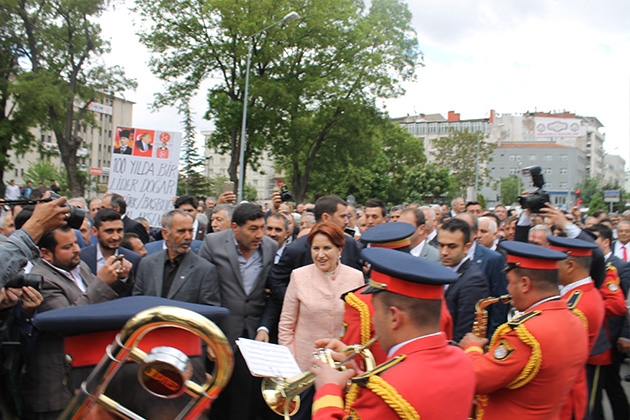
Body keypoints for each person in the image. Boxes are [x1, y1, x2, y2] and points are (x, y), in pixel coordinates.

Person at [311, 247, 475, 420]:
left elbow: (393, 394)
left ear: (394, 317)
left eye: (376, 312)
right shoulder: (462, 359)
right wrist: (359, 375)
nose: (373, 321)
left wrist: (328, 389)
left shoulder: (387, 392)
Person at [460, 241, 588, 420]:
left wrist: (472, 348)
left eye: (510, 283)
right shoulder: (575, 319)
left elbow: (477, 378)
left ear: (525, 284)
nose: (507, 290)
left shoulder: (524, 334)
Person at [22, 224, 132, 419]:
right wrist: (102, 282)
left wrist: (119, 279)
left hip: (87, 378)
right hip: (57, 387)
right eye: (67, 247)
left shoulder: (79, 266)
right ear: (46, 253)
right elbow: (67, 321)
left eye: (75, 243)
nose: (76, 249)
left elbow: (101, 305)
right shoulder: (41, 279)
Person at [198, 203, 277, 420]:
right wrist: (208, 338)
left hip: (253, 336)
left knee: (245, 401)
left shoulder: (269, 247)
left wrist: (264, 327)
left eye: (262, 227)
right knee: (216, 401)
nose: (259, 234)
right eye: (253, 229)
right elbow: (203, 293)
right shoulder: (213, 244)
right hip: (220, 335)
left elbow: (270, 292)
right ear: (235, 227)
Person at [279, 222, 364, 419]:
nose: (320, 254)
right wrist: (291, 368)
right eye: (315, 249)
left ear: (339, 249)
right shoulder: (299, 276)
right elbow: (286, 326)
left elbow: (359, 325)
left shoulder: (356, 277)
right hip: (303, 370)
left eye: (327, 248)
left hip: (341, 370)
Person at [260, 195, 363, 342]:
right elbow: (277, 285)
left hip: (342, 352)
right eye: (342, 216)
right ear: (326, 217)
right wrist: (300, 298)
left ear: (340, 249)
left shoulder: (351, 251)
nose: (346, 221)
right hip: (305, 349)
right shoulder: (296, 252)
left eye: (327, 248)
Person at [547, 235, 605, 420]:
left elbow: (557, 353)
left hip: (564, 395)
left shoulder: (576, 305)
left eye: (553, 262)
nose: (548, 269)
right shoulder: (584, 293)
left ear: (570, 265)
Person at [133, 209, 220, 305]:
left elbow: (209, 311)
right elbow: (137, 302)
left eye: (190, 231)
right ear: (165, 234)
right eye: (181, 231)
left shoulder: (204, 270)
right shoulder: (147, 264)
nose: (188, 237)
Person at [438, 218, 490, 341]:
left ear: (467, 247)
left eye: (452, 246)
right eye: (441, 245)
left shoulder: (474, 281)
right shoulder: (440, 270)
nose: (444, 252)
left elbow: (465, 333)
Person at [80, 208, 143, 280]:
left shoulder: (134, 259)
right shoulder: (81, 257)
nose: (115, 237)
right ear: (95, 231)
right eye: (109, 231)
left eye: (119, 231)